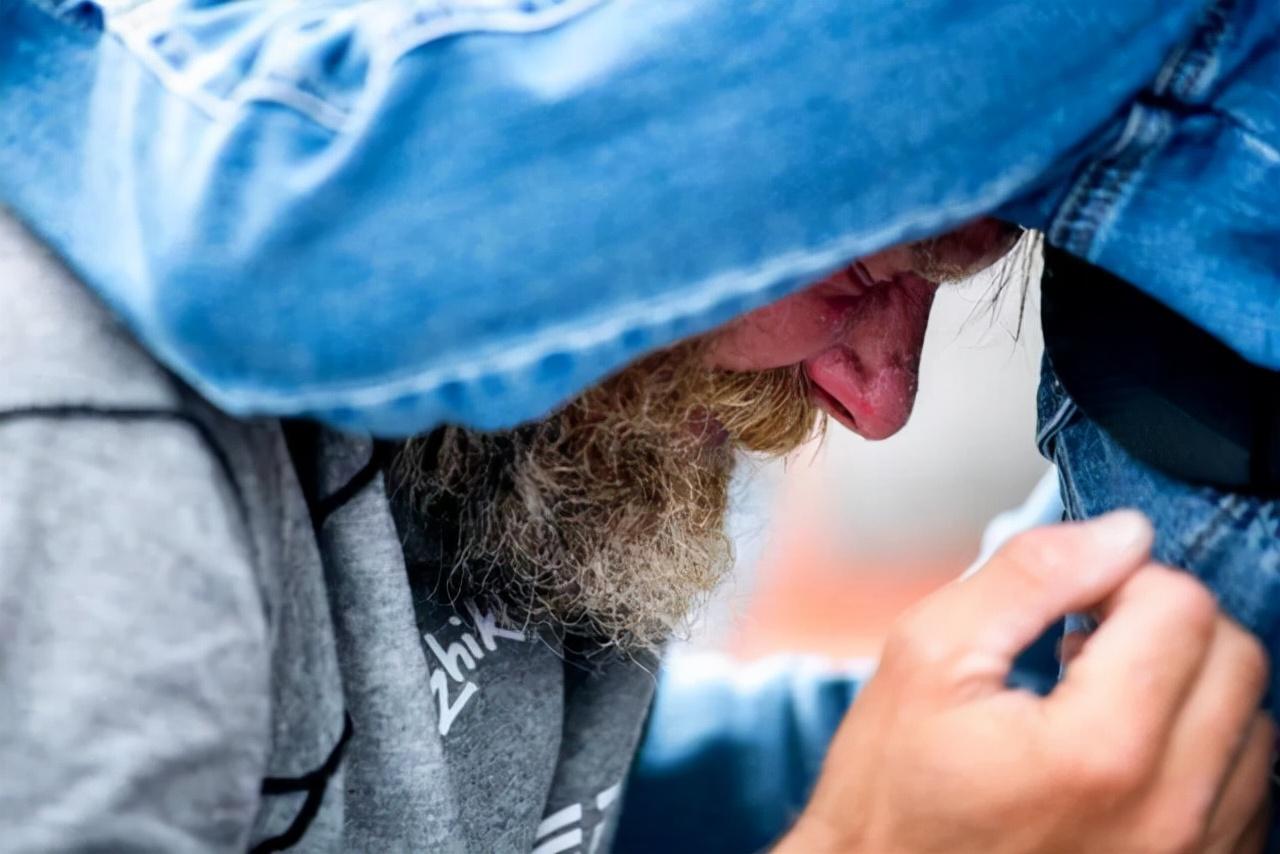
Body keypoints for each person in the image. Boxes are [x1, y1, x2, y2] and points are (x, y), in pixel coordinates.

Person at [0, 204, 1271, 852]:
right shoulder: (82, 438)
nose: (879, 400)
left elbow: (502, 778)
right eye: (862, 272)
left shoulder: (558, 427)